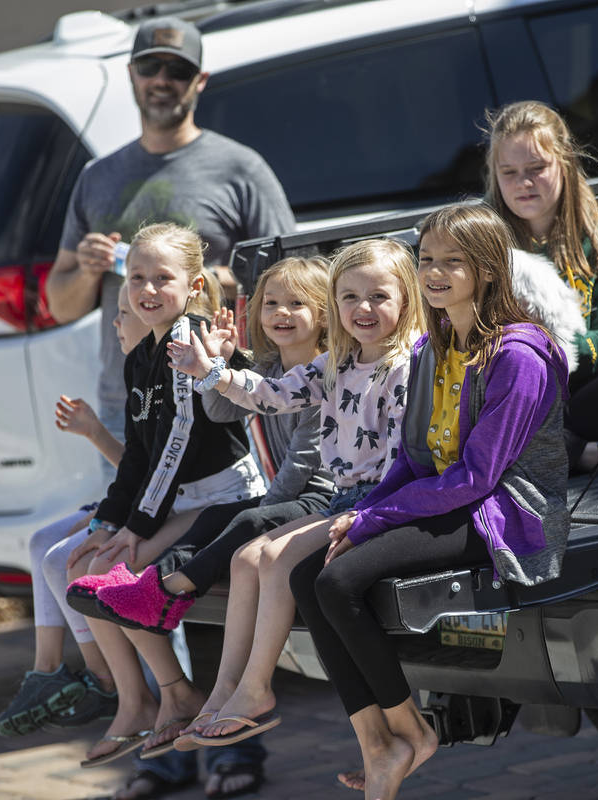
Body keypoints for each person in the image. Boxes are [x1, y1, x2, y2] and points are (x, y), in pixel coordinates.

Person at [42, 14, 296, 797]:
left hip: (208, 443)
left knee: (137, 574)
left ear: (198, 83)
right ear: (132, 75)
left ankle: (223, 743)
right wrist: (89, 274)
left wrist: (218, 339)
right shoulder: (98, 178)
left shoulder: (239, 167)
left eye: (176, 72)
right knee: (95, 565)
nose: (162, 81)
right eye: (151, 67)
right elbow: (58, 299)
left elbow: (291, 276)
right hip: (141, 414)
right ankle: (166, 735)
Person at [289, 203, 570, 800]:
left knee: (338, 584)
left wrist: (372, 520)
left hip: (500, 514)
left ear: (489, 269)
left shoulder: (518, 356)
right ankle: (376, 741)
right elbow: (416, 459)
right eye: (426, 260)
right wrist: (362, 514)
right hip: (443, 499)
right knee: (306, 575)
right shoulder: (433, 348)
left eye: (452, 262)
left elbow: (477, 477)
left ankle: (412, 732)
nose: (434, 273)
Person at [76, 257, 337, 797]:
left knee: (243, 521)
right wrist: (218, 365)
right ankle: (159, 600)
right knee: (228, 520)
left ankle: (163, 592)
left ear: (324, 313)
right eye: (270, 304)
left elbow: (302, 467)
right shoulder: (264, 364)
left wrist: (216, 371)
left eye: (296, 304)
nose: (281, 314)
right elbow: (223, 412)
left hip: (320, 499)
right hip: (270, 500)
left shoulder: (325, 371)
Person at [153, 238, 425, 750]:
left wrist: (366, 516)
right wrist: (209, 371)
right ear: (336, 305)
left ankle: (255, 690)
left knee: (275, 559)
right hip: (345, 501)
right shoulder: (337, 364)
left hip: (374, 504)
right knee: (245, 558)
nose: (362, 309)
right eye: (349, 297)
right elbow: (270, 395)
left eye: (377, 297)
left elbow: (404, 459)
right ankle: (223, 693)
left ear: (406, 300)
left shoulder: (406, 365)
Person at [64, 224, 266, 786]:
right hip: (180, 501)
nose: (146, 289)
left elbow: (178, 442)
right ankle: (141, 701)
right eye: (135, 278)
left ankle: (175, 696)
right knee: (84, 569)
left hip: (229, 498)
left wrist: (137, 527)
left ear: (195, 284)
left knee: (113, 573)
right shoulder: (142, 352)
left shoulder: (187, 338)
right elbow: (139, 456)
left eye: (162, 278)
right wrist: (111, 521)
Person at [0, 283, 150, 740]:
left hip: (160, 504)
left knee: (63, 559)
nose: (116, 323)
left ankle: (107, 682)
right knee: (43, 542)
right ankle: (46, 669)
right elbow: (138, 468)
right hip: (135, 495)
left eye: (124, 313)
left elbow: (157, 474)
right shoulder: (138, 372)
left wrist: (95, 435)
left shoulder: (162, 376)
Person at [484, 100, 598, 473]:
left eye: (537, 168)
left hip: (579, 387)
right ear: (495, 175)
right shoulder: (486, 248)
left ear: (564, 165)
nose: (523, 182)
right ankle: (576, 456)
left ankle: (568, 451)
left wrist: (554, 353)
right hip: (510, 392)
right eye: (510, 172)